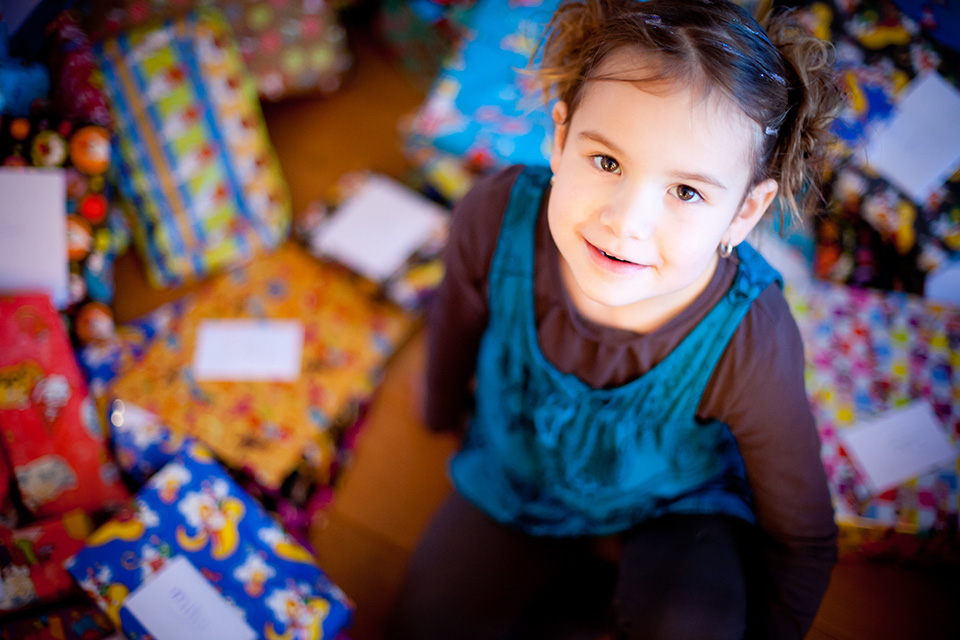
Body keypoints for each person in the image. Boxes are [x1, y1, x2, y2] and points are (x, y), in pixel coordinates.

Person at [389, 0, 843, 638]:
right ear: (560, 136)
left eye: (685, 192)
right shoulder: (494, 218)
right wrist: (437, 411)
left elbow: (802, 536)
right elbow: (453, 325)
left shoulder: (751, 342)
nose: (626, 223)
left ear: (743, 214)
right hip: (519, 466)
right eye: (606, 163)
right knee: (421, 626)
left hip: (677, 501)